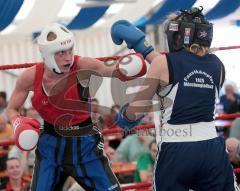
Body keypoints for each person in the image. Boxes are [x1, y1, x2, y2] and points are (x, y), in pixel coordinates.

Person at [6, 23, 147, 191]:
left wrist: (126, 68)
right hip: (50, 146)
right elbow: (12, 108)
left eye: (70, 50)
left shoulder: (82, 65)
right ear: (47, 54)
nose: (68, 57)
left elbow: (110, 71)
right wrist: (18, 123)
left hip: (85, 142)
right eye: (61, 53)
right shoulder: (29, 77)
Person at [111, 7, 238, 191]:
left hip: (177, 151)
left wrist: (124, 118)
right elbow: (181, 70)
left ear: (178, 36)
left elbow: (137, 110)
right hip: (212, 149)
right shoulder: (218, 65)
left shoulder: (162, 64)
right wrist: (143, 48)